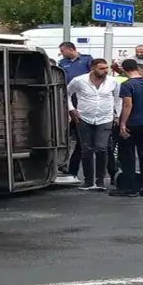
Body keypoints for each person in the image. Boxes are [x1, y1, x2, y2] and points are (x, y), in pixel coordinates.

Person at [67, 58, 121, 191]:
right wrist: (71, 109)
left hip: (105, 118)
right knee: (86, 149)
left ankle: (100, 181)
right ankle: (88, 181)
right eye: (101, 68)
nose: (105, 71)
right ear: (92, 68)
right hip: (84, 118)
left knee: (102, 148)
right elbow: (66, 94)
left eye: (106, 68)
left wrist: (118, 116)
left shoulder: (113, 82)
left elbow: (118, 99)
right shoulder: (79, 80)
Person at [112, 59, 143, 197]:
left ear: (124, 69)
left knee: (127, 156)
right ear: (137, 67)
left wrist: (123, 124)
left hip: (132, 123)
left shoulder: (127, 85)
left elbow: (127, 105)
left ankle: (130, 187)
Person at [56, 42, 93, 185]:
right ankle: (64, 165)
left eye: (63, 50)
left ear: (71, 49)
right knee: (64, 135)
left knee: (81, 139)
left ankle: (73, 169)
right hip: (68, 102)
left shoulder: (86, 59)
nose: (61, 53)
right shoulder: (63, 63)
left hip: (83, 102)